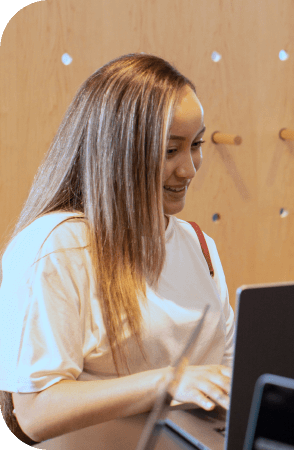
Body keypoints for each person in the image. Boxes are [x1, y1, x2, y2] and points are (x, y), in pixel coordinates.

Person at [0, 54, 235, 444]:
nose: (190, 169)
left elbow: (222, 378)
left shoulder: (200, 246)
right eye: (170, 150)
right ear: (118, 151)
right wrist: (169, 381)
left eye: (196, 145)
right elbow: (35, 411)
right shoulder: (55, 247)